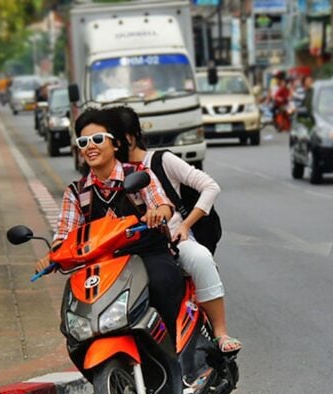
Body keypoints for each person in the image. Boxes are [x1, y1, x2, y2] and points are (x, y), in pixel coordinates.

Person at [36, 107, 185, 374]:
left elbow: (162, 204)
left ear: (115, 143)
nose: (89, 147)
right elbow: (64, 234)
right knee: (75, 311)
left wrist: (157, 213)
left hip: (146, 254)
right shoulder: (76, 193)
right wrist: (52, 255)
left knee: (162, 283)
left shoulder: (138, 175)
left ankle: (177, 356)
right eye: (83, 142)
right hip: (104, 266)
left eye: (97, 139)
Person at [112, 105, 242, 354]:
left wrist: (185, 225)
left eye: (111, 139)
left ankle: (220, 333)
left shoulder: (161, 161)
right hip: (131, 251)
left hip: (173, 242)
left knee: (201, 258)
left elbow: (210, 186)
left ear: (128, 137)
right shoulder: (109, 175)